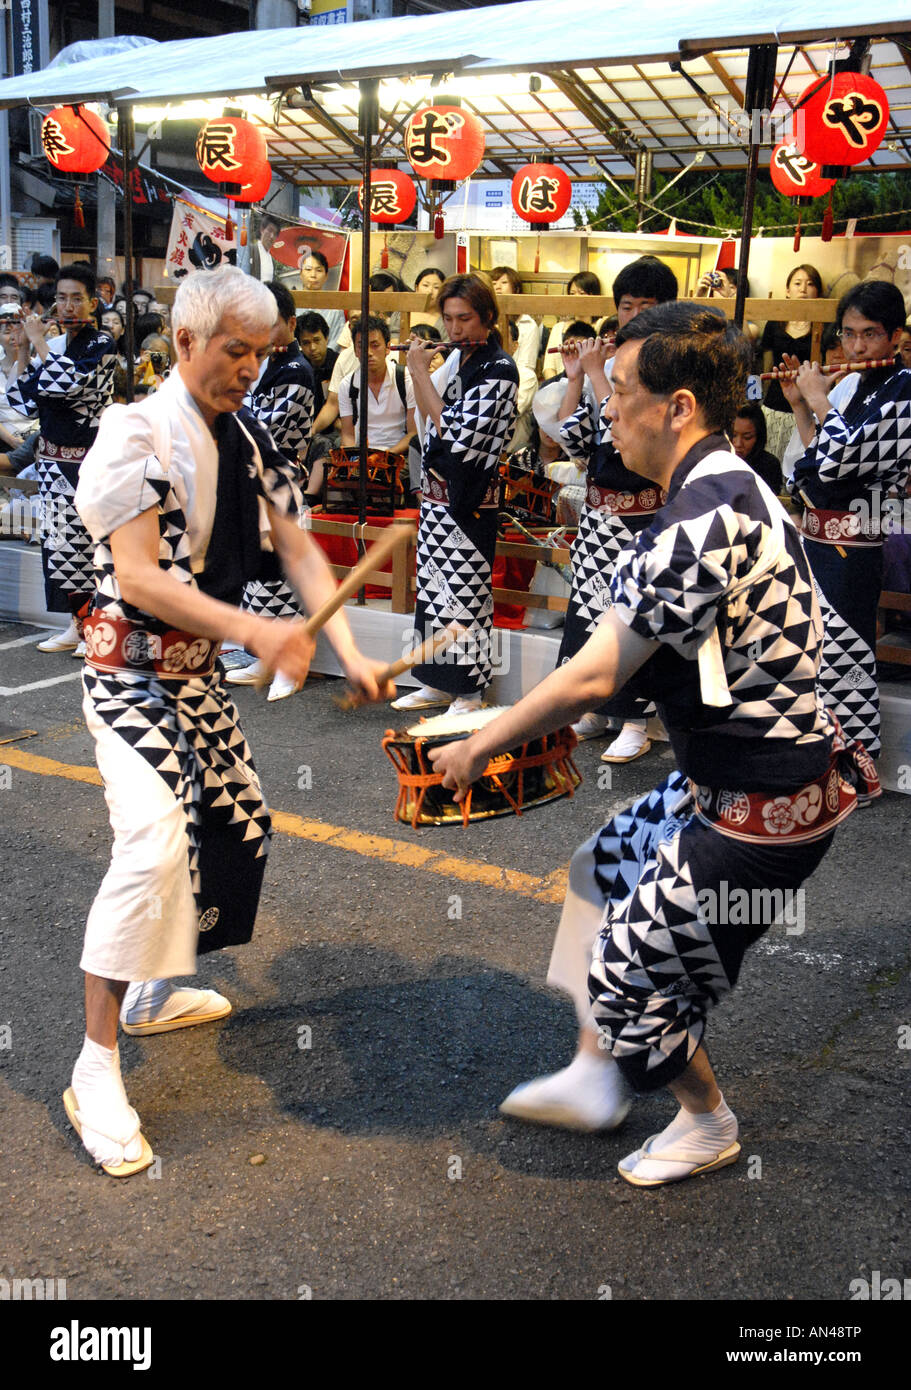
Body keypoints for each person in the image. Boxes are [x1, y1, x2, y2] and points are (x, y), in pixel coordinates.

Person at [429, 301, 878, 1187]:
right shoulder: (729, 482)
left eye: (620, 391)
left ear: (676, 406)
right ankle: (598, 1075)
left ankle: (706, 1121)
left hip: (760, 815)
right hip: (745, 785)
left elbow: (596, 678)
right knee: (604, 868)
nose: (604, 410)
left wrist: (481, 741)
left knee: (627, 975)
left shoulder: (701, 518)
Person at [68, 265, 390, 1177]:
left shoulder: (248, 442)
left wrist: (349, 652)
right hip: (126, 669)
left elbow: (299, 547)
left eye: (264, 352)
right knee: (154, 842)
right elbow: (136, 576)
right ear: (184, 342)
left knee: (238, 818)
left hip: (198, 678)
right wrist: (256, 629)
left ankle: (151, 991)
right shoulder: (133, 433)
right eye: (236, 350)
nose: (251, 368)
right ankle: (94, 1069)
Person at [556, 255, 677, 761]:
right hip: (600, 512)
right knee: (588, 610)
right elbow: (576, 441)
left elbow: (631, 425)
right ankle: (594, 707)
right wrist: (577, 377)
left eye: (646, 306)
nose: (633, 316)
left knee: (631, 616)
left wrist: (598, 377)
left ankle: (636, 719)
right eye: (626, 306)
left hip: (643, 513)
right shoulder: (606, 359)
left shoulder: (670, 363)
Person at [784, 280, 911, 758]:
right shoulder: (854, 384)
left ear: (895, 335)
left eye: (871, 334)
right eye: (849, 334)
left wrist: (818, 399)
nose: (857, 346)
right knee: (814, 647)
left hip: (857, 543)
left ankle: (858, 757)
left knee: (847, 652)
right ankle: (823, 750)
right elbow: (814, 460)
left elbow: (839, 461)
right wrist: (800, 405)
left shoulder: (906, 391)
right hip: (819, 539)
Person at [392, 273, 519, 714]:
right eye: (448, 319)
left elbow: (456, 434)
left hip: (469, 501)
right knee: (433, 590)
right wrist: (426, 373)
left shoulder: (499, 369)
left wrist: (417, 373)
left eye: (464, 319)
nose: (455, 329)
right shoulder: (459, 361)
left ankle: (469, 691)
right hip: (437, 497)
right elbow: (432, 424)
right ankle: (436, 680)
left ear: (486, 317)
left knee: (464, 595)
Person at [7, 263, 116, 653]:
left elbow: (67, 386)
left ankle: (97, 626)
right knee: (57, 546)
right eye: (61, 298)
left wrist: (38, 344)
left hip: (85, 461)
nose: (68, 306)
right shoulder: (56, 345)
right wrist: (21, 347)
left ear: (93, 301)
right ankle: (77, 623)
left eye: (76, 298)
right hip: (51, 461)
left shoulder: (102, 344)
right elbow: (22, 402)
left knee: (87, 547)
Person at [227, 279, 317, 701]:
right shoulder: (259, 361)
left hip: (282, 482)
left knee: (282, 576)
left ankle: (291, 665)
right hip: (251, 482)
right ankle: (266, 655)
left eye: (269, 321)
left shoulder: (297, 371)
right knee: (258, 574)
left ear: (291, 323)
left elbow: (257, 426)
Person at [338, 314, 416, 456]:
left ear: (387, 348)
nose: (368, 353)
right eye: (361, 346)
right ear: (355, 350)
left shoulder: (405, 379)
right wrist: (356, 458)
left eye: (375, 345)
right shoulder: (347, 385)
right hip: (362, 457)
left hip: (398, 456)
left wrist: (384, 456)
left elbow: (413, 433)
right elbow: (348, 435)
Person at [760, 263, 824, 414]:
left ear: (818, 292)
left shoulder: (822, 328)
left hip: (809, 406)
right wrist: (755, 402)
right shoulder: (774, 323)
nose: (803, 289)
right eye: (797, 283)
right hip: (773, 404)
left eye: (810, 284)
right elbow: (764, 369)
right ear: (788, 291)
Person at [541, 271, 604, 381]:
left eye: (582, 293)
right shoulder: (558, 328)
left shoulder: (601, 324)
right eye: (572, 294)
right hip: (561, 385)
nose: (576, 298)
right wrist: (557, 387)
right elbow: (549, 367)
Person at [490, 265, 540, 374]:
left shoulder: (528, 325)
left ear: (516, 289)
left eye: (504, 283)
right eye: (493, 284)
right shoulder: (487, 322)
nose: (498, 287)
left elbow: (526, 366)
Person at [731, 401, 782, 495]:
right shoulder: (714, 461)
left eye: (747, 437)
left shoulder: (769, 466)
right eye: (733, 435)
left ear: (759, 437)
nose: (738, 444)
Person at [298, 248, 344, 348]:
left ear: (326, 275)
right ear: (300, 274)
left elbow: (337, 341)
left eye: (319, 270)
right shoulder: (292, 304)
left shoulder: (335, 308)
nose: (313, 275)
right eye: (308, 269)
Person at [410, 266, 446, 330]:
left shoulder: (447, 320)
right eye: (425, 285)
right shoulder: (401, 314)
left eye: (436, 287)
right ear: (416, 288)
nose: (430, 291)